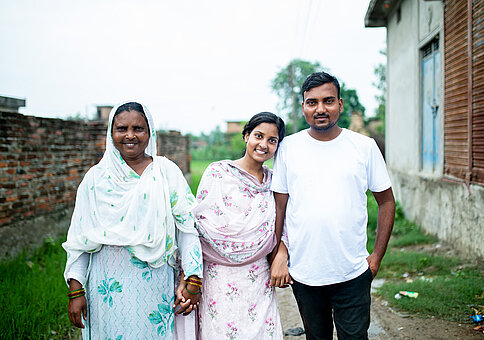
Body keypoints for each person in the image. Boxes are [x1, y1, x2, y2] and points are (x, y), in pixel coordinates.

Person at [270, 72, 396, 340]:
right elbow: (279, 208)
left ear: (340, 104)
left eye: (328, 101)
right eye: (312, 102)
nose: (320, 109)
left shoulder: (364, 147)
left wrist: (376, 258)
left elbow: (386, 202)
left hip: (353, 272)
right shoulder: (288, 148)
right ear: (303, 107)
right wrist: (280, 251)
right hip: (304, 273)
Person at [62, 101, 203, 339]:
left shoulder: (166, 172)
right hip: (105, 288)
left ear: (150, 132)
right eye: (121, 129)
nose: (130, 136)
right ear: (111, 132)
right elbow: (79, 238)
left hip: (155, 286)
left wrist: (194, 279)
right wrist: (76, 291)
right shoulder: (96, 179)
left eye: (138, 129)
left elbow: (187, 228)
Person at [194, 112, 286, 339]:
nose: (263, 144)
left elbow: (284, 223)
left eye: (272, 140)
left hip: (258, 277)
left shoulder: (275, 183)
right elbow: (201, 225)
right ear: (246, 136)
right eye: (258, 136)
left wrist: (282, 251)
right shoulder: (218, 173)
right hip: (219, 276)